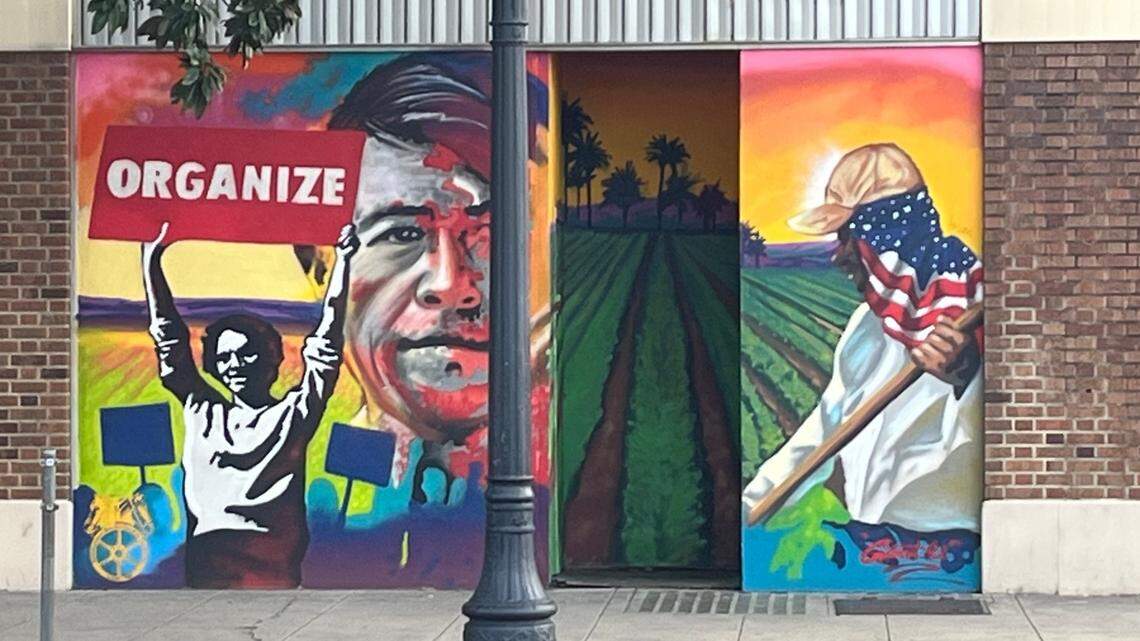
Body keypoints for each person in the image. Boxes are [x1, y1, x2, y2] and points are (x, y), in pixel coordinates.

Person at [294, 54, 551, 489]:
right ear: (321, 267)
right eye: (403, 235)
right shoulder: (324, 497)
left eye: (492, 232)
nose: (450, 285)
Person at [742, 143, 984, 553]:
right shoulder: (866, 328)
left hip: (946, 546)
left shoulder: (971, 314)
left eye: (847, 237)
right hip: (871, 537)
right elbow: (822, 430)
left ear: (883, 239)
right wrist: (754, 502)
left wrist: (966, 377)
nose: (839, 256)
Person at [143, 221, 359, 588]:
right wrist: (151, 262)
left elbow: (326, 345)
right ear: (212, 363)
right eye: (225, 357)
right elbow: (169, 337)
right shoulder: (203, 410)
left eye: (248, 355)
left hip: (272, 573)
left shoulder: (292, 416)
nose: (235, 365)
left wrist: (342, 262)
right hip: (208, 566)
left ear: (273, 358)